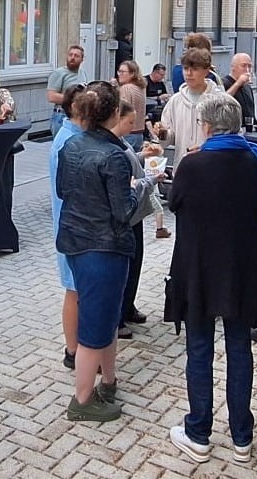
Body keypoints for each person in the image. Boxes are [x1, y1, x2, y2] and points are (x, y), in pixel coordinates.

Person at [163, 93, 257, 463]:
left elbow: (175, 202)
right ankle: (242, 436)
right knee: (239, 348)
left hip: (198, 267)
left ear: (207, 126)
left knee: (199, 348)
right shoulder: (256, 161)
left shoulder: (193, 164)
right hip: (243, 267)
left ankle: (199, 432)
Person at [56, 82, 141, 423]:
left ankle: (108, 381)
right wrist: (139, 188)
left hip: (76, 241)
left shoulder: (70, 145)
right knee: (96, 323)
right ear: (113, 115)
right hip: (104, 247)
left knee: (104, 315)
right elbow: (123, 211)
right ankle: (83, 399)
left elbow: (64, 189)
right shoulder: (114, 156)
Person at [107, 96, 159, 341]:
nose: (132, 127)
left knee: (136, 263)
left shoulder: (121, 142)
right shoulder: (112, 147)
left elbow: (131, 163)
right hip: (127, 214)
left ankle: (128, 306)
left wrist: (143, 155)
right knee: (125, 267)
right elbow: (128, 184)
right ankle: (116, 318)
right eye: (129, 122)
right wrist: (151, 180)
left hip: (136, 213)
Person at [49, 84, 86, 369]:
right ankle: (72, 350)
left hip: (74, 225)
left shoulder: (76, 136)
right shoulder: (68, 142)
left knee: (78, 290)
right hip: (72, 227)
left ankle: (78, 346)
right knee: (73, 290)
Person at [155, 48, 215, 167]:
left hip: (210, 168)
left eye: (195, 69)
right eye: (186, 68)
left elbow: (228, 138)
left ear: (206, 71)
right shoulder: (175, 101)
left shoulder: (219, 100)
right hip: (182, 168)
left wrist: (206, 148)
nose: (189, 73)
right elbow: (169, 140)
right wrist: (162, 133)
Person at [46, 44, 88, 133]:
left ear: (82, 59)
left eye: (76, 56)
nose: (72, 58)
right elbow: (51, 96)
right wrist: (74, 99)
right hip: (62, 115)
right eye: (70, 55)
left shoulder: (82, 72)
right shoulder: (59, 73)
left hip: (78, 116)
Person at [115, 61, 149, 151]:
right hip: (139, 133)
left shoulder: (126, 88)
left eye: (123, 72)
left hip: (127, 133)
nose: (119, 74)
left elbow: (123, 111)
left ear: (132, 74)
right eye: (119, 71)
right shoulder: (141, 88)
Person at [223, 52, 257, 129]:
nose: (247, 70)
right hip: (231, 131)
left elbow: (250, 111)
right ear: (233, 67)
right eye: (243, 66)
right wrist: (238, 83)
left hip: (247, 131)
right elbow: (221, 101)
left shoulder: (247, 87)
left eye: (250, 66)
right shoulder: (224, 83)